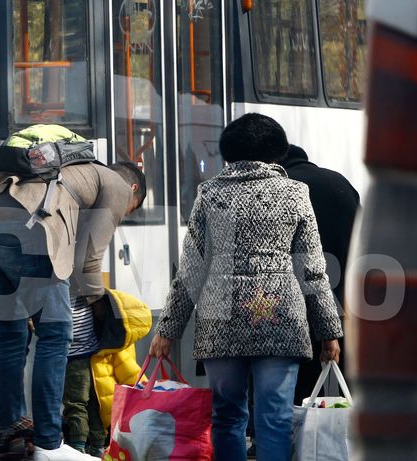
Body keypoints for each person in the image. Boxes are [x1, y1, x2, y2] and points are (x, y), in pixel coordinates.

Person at [149, 113, 343, 461]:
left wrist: (168, 330)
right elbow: (313, 270)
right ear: (277, 151)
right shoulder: (296, 194)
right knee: (275, 417)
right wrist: (328, 330)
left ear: (229, 152)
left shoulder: (209, 194)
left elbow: (190, 271)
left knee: (227, 416)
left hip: (219, 321)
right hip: (281, 320)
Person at [0, 160, 146, 461]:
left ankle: (12, 435)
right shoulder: (118, 186)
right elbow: (88, 263)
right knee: (56, 336)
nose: (122, 215)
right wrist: (99, 306)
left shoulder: (65, 174)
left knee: (11, 339)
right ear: (133, 189)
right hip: (30, 231)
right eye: (129, 210)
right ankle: (47, 442)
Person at [280, 144, 360, 405]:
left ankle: (303, 438)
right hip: (345, 294)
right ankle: (342, 436)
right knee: (343, 375)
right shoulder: (341, 183)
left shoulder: (285, 187)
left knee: (302, 385)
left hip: (298, 298)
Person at [63, 288, 151, 457]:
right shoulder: (112, 340)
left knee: (76, 404)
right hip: (94, 357)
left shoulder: (66, 288)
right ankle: (97, 447)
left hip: (74, 357)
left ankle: (78, 446)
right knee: (94, 404)